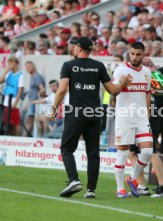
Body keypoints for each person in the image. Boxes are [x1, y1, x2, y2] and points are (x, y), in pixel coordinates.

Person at [49, 37, 131, 198]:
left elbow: (61, 90)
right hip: (95, 114)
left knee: (66, 149)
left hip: (76, 113)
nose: (71, 48)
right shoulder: (99, 66)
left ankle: (73, 180)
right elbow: (113, 91)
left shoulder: (68, 66)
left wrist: (53, 107)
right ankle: (91, 190)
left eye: (73, 46)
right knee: (93, 153)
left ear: (79, 48)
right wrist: (123, 83)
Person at [113, 42, 153, 198]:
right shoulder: (121, 70)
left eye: (138, 54)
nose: (134, 57)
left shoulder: (147, 72)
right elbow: (113, 93)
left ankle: (133, 178)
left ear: (144, 55)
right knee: (122, 153)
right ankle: (119, 189)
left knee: (148, 152)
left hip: (141, 117)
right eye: (132, 54)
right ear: (129, 53)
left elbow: (148, 93)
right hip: (124, 116)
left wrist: (148, 112)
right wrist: (123, 84)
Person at [0, 57, 24, 136]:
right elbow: (0, 81)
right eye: (9, 63)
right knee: (7, 121)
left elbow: (20, 90)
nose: (9, 65)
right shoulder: (8, 74)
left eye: (11, 63)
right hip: (7, 100)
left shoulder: (20, 75)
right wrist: (6, 71)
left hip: (14, 100)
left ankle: (16, 137)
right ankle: (10, 137)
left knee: (15, 122)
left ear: (16, 63)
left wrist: (16, 102)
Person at [24, 61, 45, 136]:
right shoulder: (33, 76)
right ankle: (28, 137)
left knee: (29, 121)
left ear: (33, 66)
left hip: (34, 103)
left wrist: (36, 101)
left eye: (29, 66)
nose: (27, 68)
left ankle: (25, 138)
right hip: (31, 102)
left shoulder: (36, 76)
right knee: (28, 121)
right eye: (26, 67)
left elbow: (42, 89)